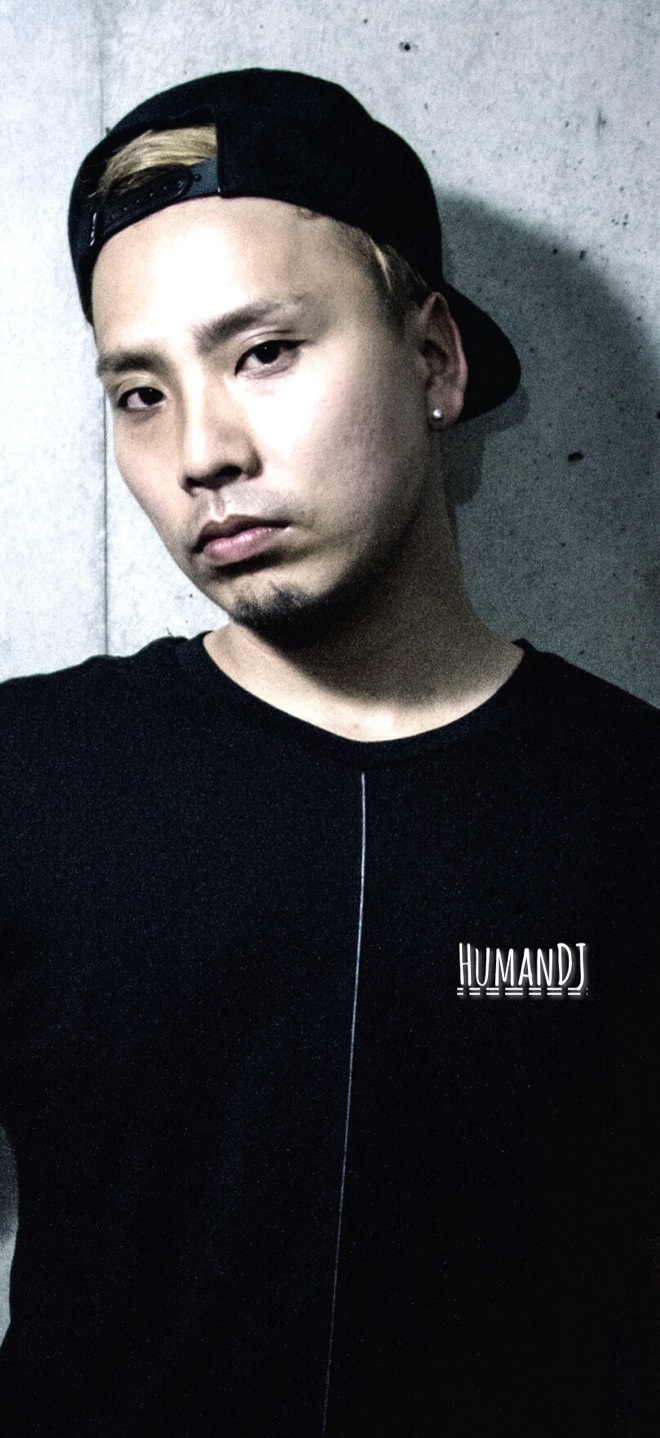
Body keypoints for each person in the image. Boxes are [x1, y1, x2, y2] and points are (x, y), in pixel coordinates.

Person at [0, 67, 657, 1436]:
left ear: (434, 362)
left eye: (264, 352)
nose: (203, 451)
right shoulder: (27, 780)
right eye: (141, 392)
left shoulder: (631, 804)